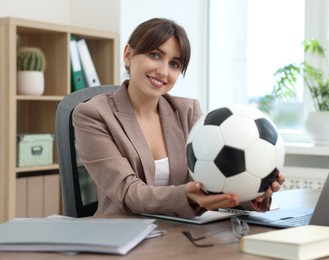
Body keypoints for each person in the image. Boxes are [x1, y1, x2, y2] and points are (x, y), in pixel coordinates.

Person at [73, 18, 285, 218]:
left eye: (174, 64)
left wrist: (253, 192)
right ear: (128, 54)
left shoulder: (187, 111)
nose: (163, 71)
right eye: (155, 55)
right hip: (123, 235)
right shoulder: (93, 115)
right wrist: (185, 197)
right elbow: (128, 192)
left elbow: (212, 183)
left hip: (181, 231)